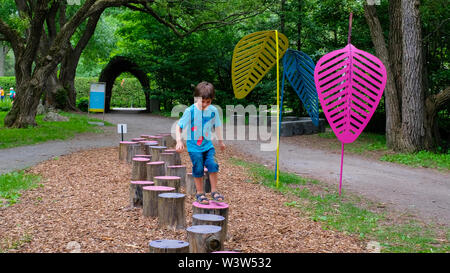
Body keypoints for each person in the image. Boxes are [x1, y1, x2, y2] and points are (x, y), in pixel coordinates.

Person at [175, 81, 226, 205]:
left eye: (208, 102)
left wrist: (221, 141)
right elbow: (179, 126)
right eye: (202, 101)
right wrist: (179, 140)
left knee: (213, 164)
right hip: (194, 147)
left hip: (208, 146)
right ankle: (200, 193)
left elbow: (217, 126)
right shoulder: (190, 111)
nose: (205, 104)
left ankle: (214, 191)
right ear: (196, 98)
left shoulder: (213, 111)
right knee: (198, 167)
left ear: (211, 100)